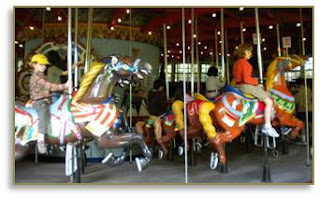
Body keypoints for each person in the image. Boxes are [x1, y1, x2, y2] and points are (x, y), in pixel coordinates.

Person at [232, 43, 279, 138]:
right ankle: (267, 125)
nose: (250, 53)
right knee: (269, 101)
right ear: (244, 51)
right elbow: (246, 79)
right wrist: (256, 81)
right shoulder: (245, 63)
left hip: (237, 86)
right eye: (249, 51)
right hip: (246, 86)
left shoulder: (236, 63)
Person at [28, 54, 71, 154]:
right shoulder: (36, 77)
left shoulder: (42, 75)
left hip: (47, 99)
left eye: (44, 65)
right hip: (40, 101)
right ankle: (41, 140)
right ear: (34, 65)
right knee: (44, 113)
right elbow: (49, 86)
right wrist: (64, 86)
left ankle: (58, 138)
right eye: (41, 64)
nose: (43, 66)